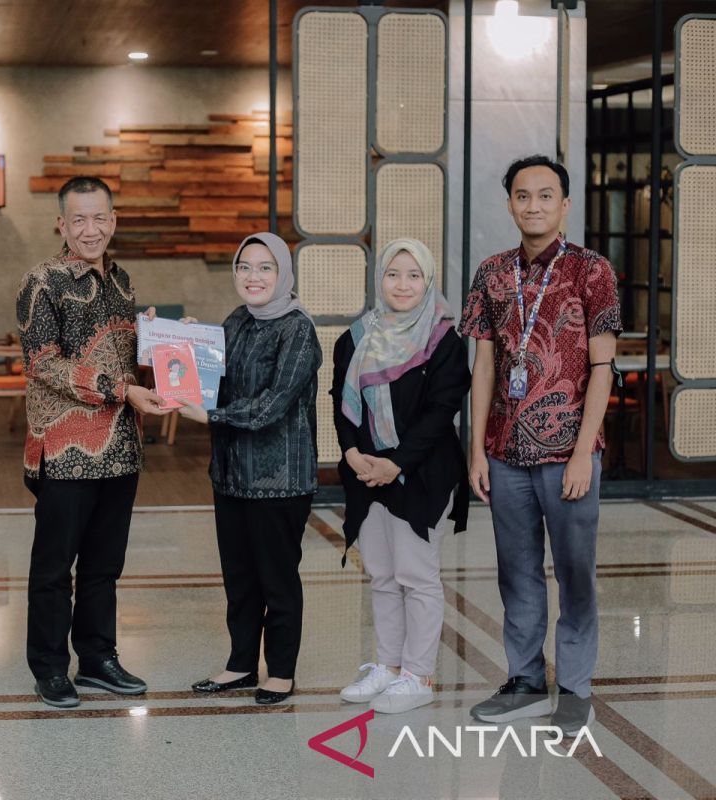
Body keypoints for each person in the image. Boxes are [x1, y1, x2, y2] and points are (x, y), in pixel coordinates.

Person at [460, 155, 620, 737]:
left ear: (565, 204)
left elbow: (602, 367)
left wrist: (583, 452)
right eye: (523, 196)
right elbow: (483, 367)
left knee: (575, 571)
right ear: (509, 204)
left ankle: (574, 687)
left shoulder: (592, 270)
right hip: (505, 453)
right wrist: (476, 450)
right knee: (517, 571)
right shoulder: (491, 273)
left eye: (546, 195)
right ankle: (525, 680)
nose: (534, 206)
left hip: (569, 453)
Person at [16, 176, 168, 709]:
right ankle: (50, 668)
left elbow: (126, 357)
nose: (90, 229)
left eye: (99, 217)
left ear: (113, 220)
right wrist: (122, 391)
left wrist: (163, 343)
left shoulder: (123, 281)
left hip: (120, 448)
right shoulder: (42, 281)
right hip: (64, 451)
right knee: (54, 568)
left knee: (104, 567)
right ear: (61, 223)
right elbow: (44, 363)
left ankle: (98, 658)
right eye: (78, 219)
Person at [177, 232, 321, 705]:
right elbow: (213, 379)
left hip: (279, 480)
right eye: (244, 267)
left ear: (282, 273)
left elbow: (273, 405)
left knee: (277, 580)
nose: (252, 276)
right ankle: (240, 664)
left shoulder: (297, 329)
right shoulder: (236, 321)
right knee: (239, 579)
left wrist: (212, 416)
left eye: (265, 267)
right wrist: (188, 342)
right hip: (232, 476)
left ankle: (280, 671)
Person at [331, 239, 470, 714]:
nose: (403, 284)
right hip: (367, 473)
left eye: (414, 275)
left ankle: (418, 674)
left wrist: (397, 463)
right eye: (393, 274)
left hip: (422, 474)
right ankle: (388, 667)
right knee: (383, 576)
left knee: (417, 575)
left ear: (428, 281)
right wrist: (352, 452)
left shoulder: (444, 340)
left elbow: (441, 411)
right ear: (380, 279)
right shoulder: (355, 337)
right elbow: (340, 400)